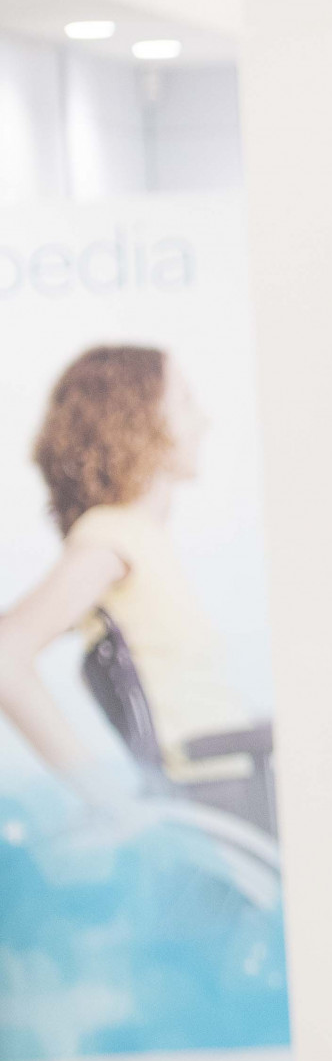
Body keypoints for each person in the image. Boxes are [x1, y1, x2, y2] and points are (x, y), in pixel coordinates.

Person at [0, 347, 265, 826]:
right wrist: (106, 799)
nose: (204, 421)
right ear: (137, 420)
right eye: (185, 402)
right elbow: (6, 653)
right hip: (215, 803)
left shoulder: (138, 538)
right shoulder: (114, 535)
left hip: (232, 790)